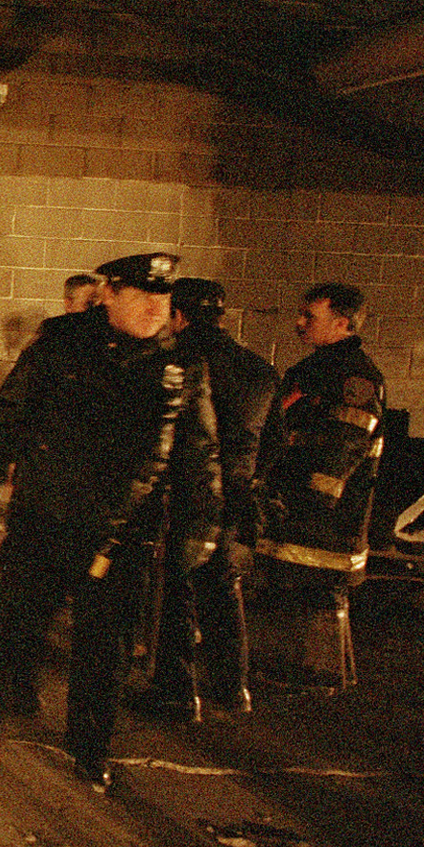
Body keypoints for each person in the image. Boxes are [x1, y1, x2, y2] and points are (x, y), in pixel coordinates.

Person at [0, 253, 221, 789]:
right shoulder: (62, 342)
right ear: (109, 294)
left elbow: (199, 450)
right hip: (46, 512)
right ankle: (5, 700)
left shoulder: (182, 364)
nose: (155, 308)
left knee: (108, 643)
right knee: (19, 617)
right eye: (142, 295)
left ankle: (90, 745)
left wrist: (203, 527)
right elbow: (11, 410)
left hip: (125, 527)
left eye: (164, 298)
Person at [135, 278, 279, 718]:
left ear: (178, 316)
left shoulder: (174, 365)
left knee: (176, 590)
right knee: (223, 589)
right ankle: (233, 688)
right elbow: (274, 443)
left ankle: (178, 694)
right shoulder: (261, 370)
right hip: (236, 493)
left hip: (185, 493)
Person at [252, 282, 385, 691]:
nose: (299, 323)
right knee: (297, 583)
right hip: (300, 498)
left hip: (326, 510)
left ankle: (320, 674)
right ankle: (298, 670)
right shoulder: (320, 369)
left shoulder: (354, 378)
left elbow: (348, 440)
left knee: (320, 588)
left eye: (310, 316)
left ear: (342, 323)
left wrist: (314, 496)